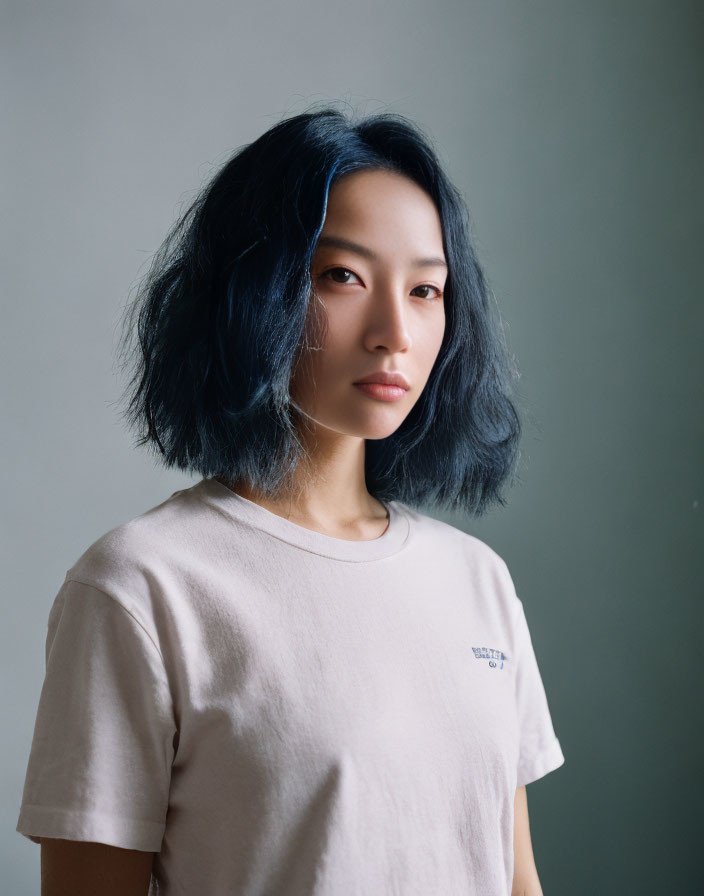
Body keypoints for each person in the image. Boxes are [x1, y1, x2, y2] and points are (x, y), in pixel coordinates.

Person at [16, 104, 565, 895]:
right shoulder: (140, 587)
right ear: (256, 291)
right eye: (342, 275)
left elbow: (517, 880)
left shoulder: (476, 581)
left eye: (425, 290)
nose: (393, 332)